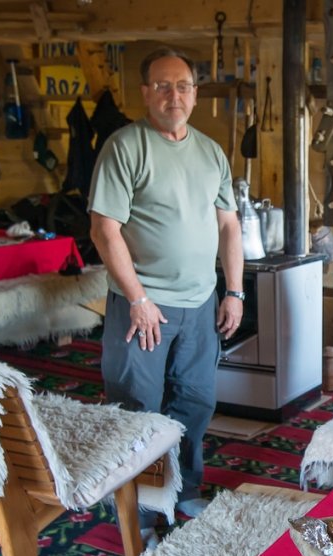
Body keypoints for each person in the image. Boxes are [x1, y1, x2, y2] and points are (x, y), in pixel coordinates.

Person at [88, 46, 245, 521]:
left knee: (195, 402)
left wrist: (234, 291)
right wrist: (137, 298)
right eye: (162, 85)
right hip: (144, 308)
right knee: (139, 409)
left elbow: (229, 227)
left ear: (195, 94)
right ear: (145, 93)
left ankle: (184, 490)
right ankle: (140, 512)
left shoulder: (210, 151)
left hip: (200, 304)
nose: (172, 95)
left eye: (182, 85)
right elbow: (104, 229)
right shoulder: (125, 146)